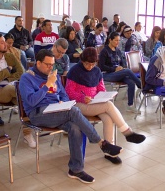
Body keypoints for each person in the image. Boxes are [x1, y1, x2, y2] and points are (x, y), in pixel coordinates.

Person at [19, 49, 123, 184]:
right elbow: (31, 101)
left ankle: (76, 169)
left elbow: (64, 94)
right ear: (38, 63)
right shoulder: (27, 78)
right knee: (73, 111)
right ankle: (101, 143)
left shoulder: (52, 75)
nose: (51, 67)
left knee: (75, 127)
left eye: (53, 64)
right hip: (38, 113)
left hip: (57, 111)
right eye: (48, 65)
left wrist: (63, 102)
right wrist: (48, 85)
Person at [65, 47, 146, 164]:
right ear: (82, 61)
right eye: (87, 64)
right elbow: (69, 92)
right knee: (108, 105)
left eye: (93, 64)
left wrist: (103, 96)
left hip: (94, 104)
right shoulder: (74, 71)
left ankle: (109, 152)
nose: (90, 67)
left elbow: (101, 89)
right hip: (78, 104)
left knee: (108, 119)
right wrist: (83, 97)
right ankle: (127, 132)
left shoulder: (97, 71)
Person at [0, 33, 35, 148]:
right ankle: (37, 109)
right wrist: (8, 70)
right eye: (2, 42)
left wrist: (6, 77)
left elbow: (21, 72)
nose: (5, 44)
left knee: (24, 102)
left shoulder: (10, 56)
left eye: (5, 41)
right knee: (21, 93)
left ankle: (27, 133)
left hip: (14, 88)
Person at [98, 32, 142, 113]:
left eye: (118, 40)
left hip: (118, 73)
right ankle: (141, 85)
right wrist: (114, 69)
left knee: (131, 82)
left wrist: (121, 67)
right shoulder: (104, 51)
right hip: (107, 74)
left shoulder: (117, 50)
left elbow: (122, 63)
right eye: (115, 40)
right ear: (110, 40)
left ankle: (130, 105)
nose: (117, 42)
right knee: (128, 71)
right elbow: (101, 67)